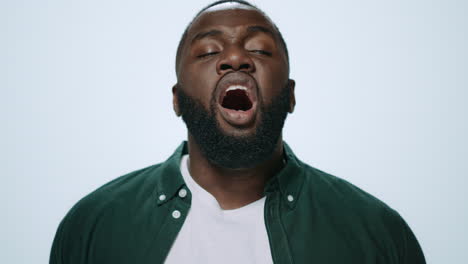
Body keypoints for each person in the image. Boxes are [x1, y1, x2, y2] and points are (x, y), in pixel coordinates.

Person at [50, 1, 426, 263]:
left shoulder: (376, 234)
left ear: (291, 95)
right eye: (208, 50)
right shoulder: (94, 225)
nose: (235, 58)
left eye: (260, 50)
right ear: (177, 99)